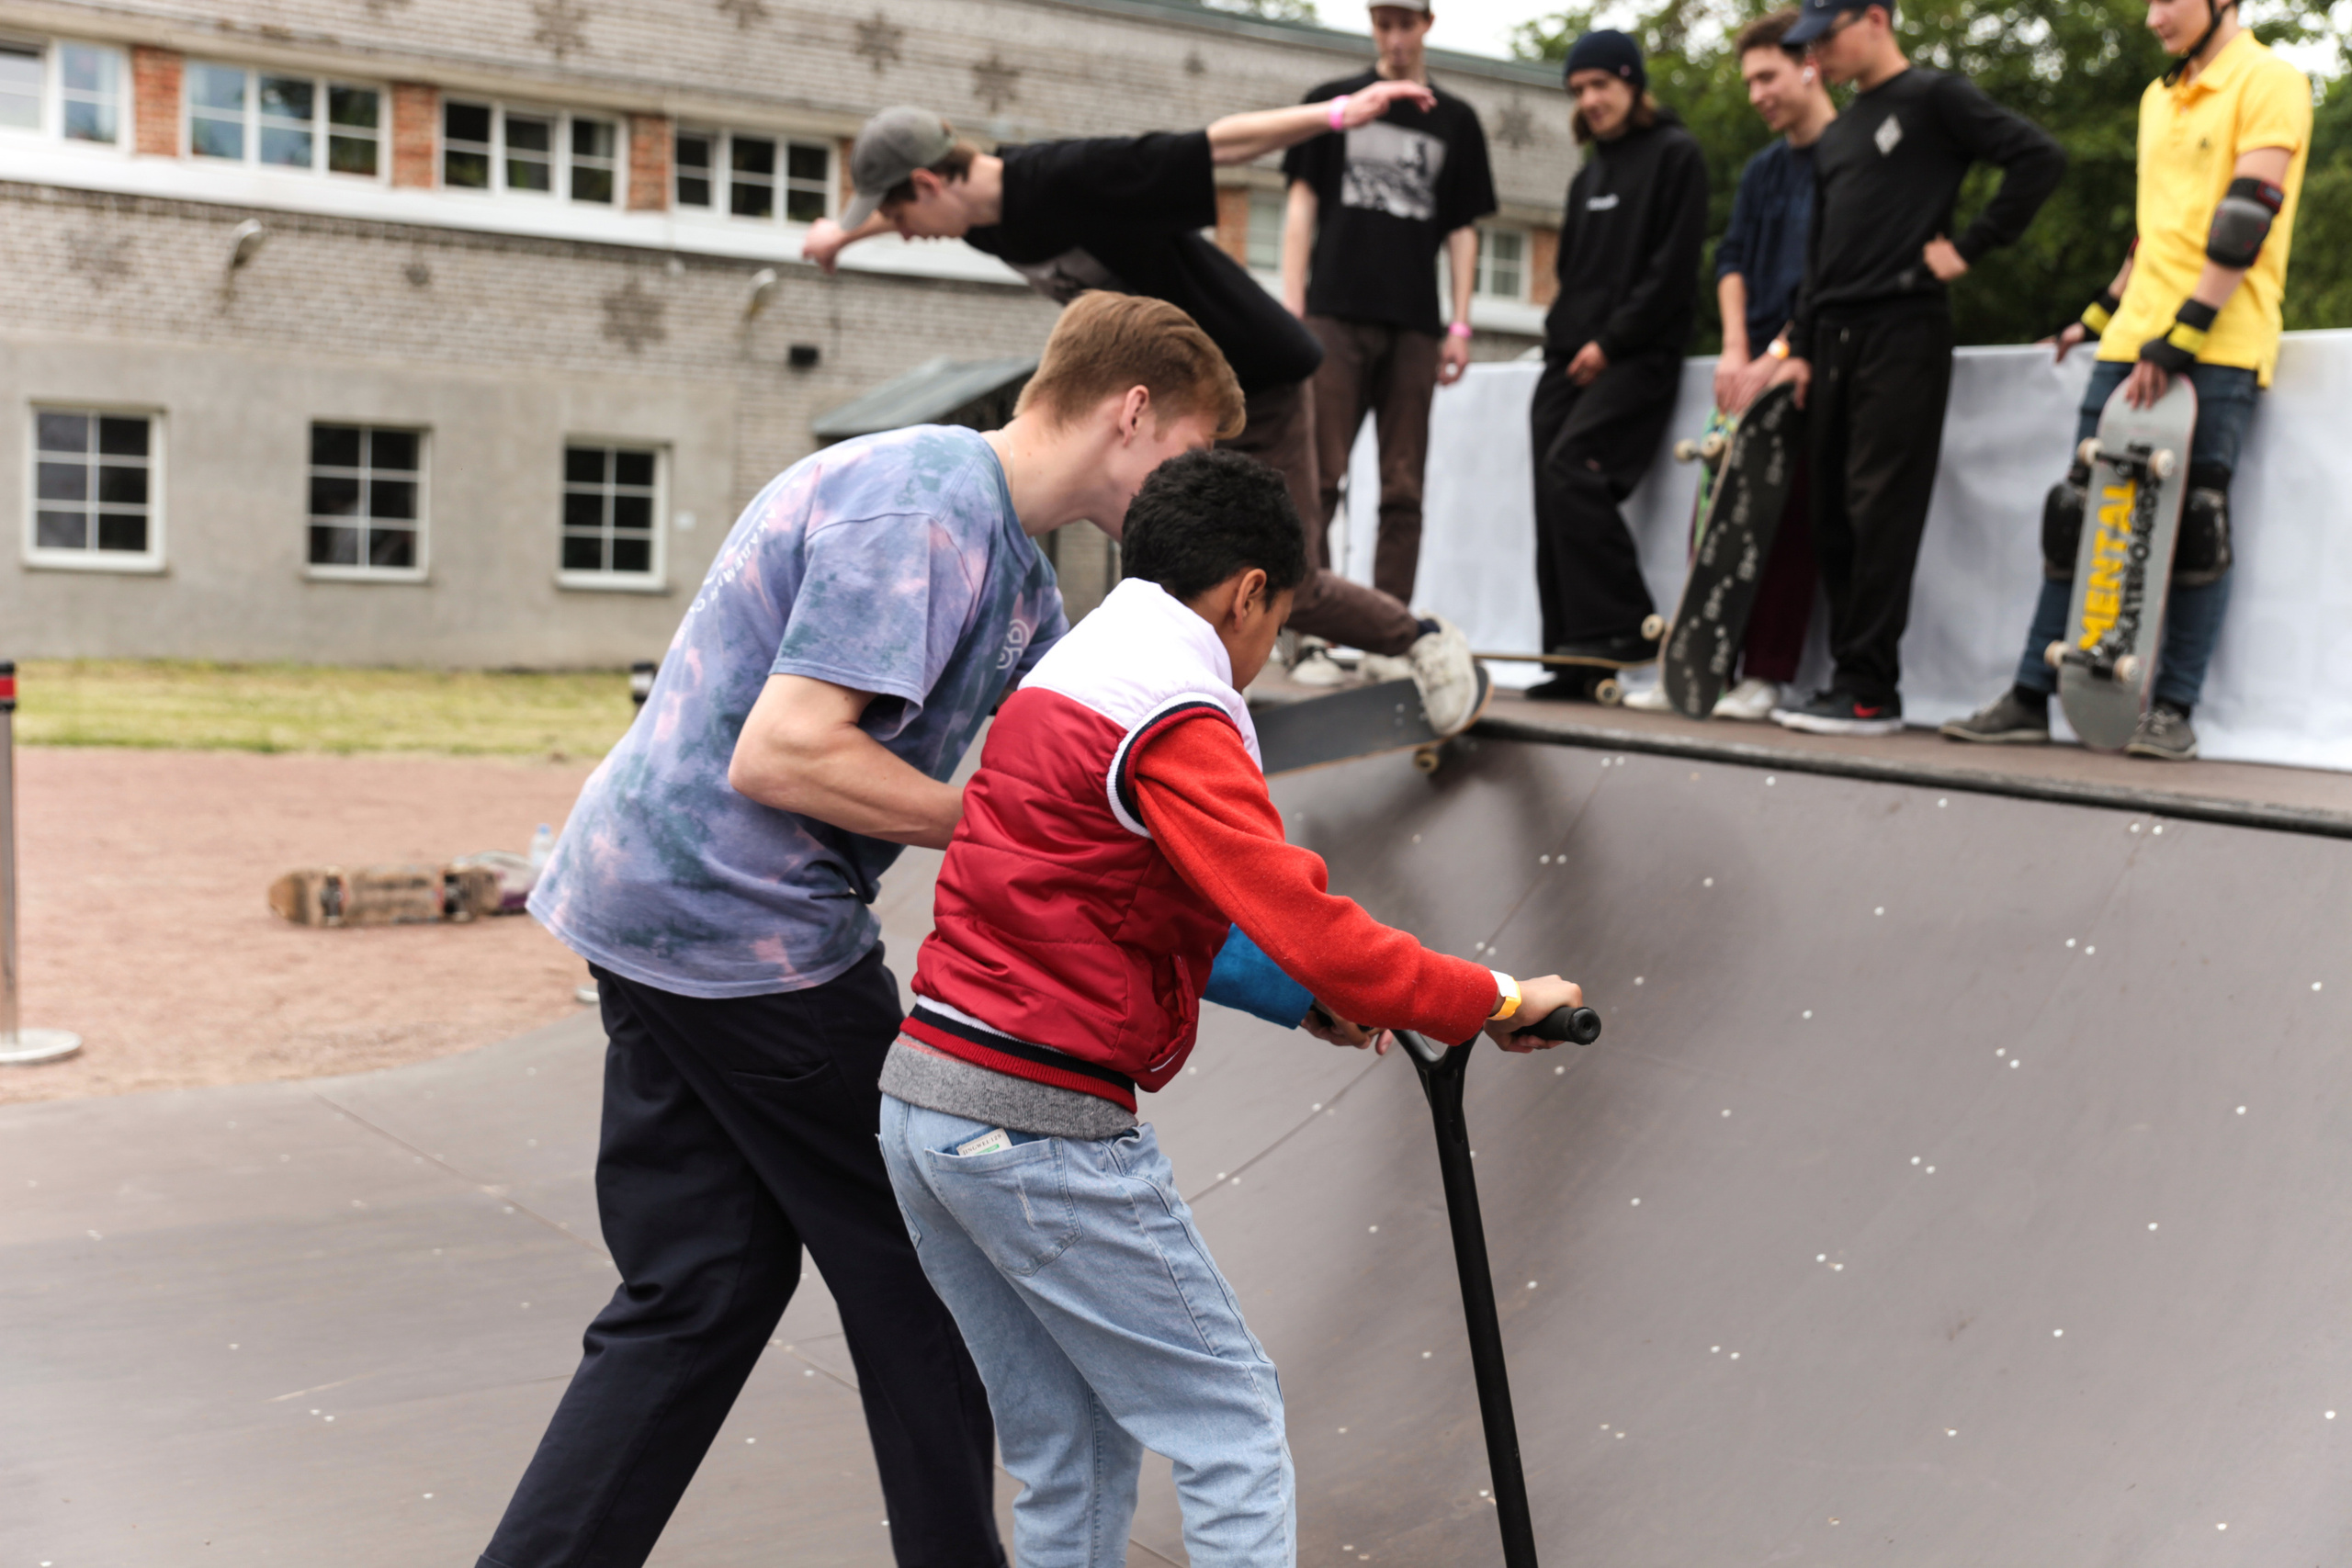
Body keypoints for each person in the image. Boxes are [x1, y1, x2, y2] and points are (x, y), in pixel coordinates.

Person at [480, 294, 1250, 1568]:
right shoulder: (927, 502)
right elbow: (784, 751)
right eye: (1189, 455)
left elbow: (1078, 841)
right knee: (941, 1270)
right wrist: (985, 819)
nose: (1189, 499)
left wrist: (1282, 961)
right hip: (747, 933)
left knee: (702, 1289)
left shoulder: (1017, 574)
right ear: (1131, 415)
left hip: (651, 911)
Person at [874, 446, 1585, 1566]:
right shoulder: (1176, 705)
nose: (1260, 661)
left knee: (1074, 1446)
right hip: (1036, 1126)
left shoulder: (1076, 667)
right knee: (1230, 1423)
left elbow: (1121, 898)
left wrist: (1299, 999)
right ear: (1249, 592)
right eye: (1276, 625)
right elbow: (1305, 915)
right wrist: (1490, 998)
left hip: (922, 1109)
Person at [804, 99, 1484, 734]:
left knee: (1284, 579)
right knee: (1172, 555)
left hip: (1261, 377)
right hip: (1171, 401)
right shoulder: (975, 215)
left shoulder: (1068, 178)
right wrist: (843, 233)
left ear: (928, 184)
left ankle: (1422, 639)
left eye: (897, 219)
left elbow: (1213, 145)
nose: (904, 234)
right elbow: (904, 205)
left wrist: (1337, 114)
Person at [1941, 0, 2308, 761]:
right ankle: (2030, 693)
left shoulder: (2270, 80)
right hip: (2135, 339)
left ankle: (2172, 708)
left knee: (2195, 524)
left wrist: (2185, 334)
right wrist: (2098, 314)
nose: (2152, 17)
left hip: (2219, 341)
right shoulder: (2159, 95)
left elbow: (2243, 220)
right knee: (2081, 513)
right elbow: (2157, 230)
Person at [1763, 0, 2064, 736]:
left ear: (1875, 19)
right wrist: (1798, 345)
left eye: (1825, 39)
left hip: (1902, 328)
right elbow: (1819, 252)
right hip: (1831, 335)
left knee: (1879, 508)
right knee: (1829, 510)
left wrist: (1970, 245)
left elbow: (2039, 158)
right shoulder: (1840, 134)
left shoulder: (1935, 98)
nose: (1816, 58)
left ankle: (1869, 690)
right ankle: (1849, 680)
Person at [1280, 0, 1498, 686]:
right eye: (1383, 23)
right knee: (1317, 478)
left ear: (1427, 25)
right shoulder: (1330, 104)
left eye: (1406, 23)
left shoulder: (1455, 121)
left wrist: (1461, 322)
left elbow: (1464, 229)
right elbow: (1301, 206)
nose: (1394, 36)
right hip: (1334, 317)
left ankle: (1385, 633)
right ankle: (1307, 634)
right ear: (1372, 25)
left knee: (1403, 487)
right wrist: (1293, 308)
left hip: (1414, 326)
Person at [1632, 9, 1838, 722]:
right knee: (1713, 517)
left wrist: (1782, 353)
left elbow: (1833, 274)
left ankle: (1768, 675)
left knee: (1783, 521)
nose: (1756, 94)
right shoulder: (1763, 169)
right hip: (1746, 370)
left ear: (1809, 67)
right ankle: (1698, 667)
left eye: (1767, 77)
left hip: (1803, 368)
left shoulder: (1846, 155)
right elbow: (1733, 260)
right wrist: (1735, 349)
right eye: (1748, 81)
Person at [1524, 28, 1709, 701]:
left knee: (1575, 468)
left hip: (1637, 352)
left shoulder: (1675, 156)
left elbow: (1672, 269)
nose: (1591, 99)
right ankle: (1573, 657)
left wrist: (1612, 340)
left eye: (1601, 84)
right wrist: (1567, 341)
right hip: (1568, 353)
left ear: (1632, 82)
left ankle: (1629, 626)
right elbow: (1572, 274)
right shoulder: (1589, 174)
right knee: (1548, 486)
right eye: (1579, 89)